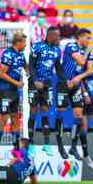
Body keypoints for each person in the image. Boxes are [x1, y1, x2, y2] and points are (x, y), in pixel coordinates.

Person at [58, 28, 93, 163]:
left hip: (76, 85)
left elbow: (90, 71)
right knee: (60, 114)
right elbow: (81, 62)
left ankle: (73, 146)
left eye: (90, 38)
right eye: (87, 38)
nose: (89, 41)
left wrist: (79, 77)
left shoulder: (87, 52)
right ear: (79, 37)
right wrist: (86, 57)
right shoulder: (71, 46)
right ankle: (60, 144)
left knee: (79, 115)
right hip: (64, 83)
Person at [28, 27, 64, 155]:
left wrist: (65, 81)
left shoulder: (57, 50)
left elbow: (58, 68)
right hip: (34, 83)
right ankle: (30, 144)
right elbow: (31, 65)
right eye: (57, 36)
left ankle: (46, 144)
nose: (59, 38)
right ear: (50, 35)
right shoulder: (36, 47)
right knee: (33, 110)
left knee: (45, 111)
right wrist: (36, 80)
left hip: (47, 84)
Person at [0, 32, 27, 163]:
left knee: (15, 119)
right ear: (18, 42)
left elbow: (26, 66)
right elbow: (1, 74)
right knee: (4, 119)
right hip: (4, 91)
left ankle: (16, 149)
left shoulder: (21, 54)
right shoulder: (7, 54)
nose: (25, 45)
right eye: (24, 42)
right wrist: (17, 83)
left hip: (14, 92)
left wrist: (31, 73)